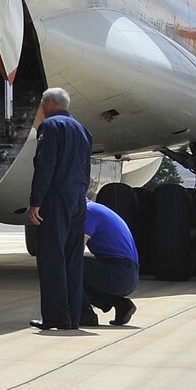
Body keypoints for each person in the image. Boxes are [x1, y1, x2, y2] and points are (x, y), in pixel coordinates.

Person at [27, 87, 92, 330]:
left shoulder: (51, 127)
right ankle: (73, 316)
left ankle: (56, 317)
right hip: (78, 197)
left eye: (43, 104)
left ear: (50, 104)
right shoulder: (83, 130)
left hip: (56, 198)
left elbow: (46, 166)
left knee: (51, 256)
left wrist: (36, 201)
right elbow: (86, 168)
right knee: (73, 258)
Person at [81, 199, 139, 327]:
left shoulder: (88, 211)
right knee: (82, 277)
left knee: (69, 266)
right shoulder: (96, 208)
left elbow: (77, 249)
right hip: (127, 272)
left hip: (120, 271)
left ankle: (85, 315)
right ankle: (121, 305)